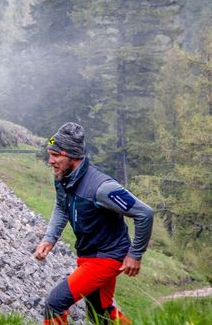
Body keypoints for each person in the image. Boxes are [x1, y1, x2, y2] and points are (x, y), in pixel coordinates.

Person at [33, 122, 154, 324]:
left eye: (55, 155)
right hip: (89, 254)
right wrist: (50, 238)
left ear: (72, 156)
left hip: (106, 256)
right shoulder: (64, 177)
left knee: (55, 304)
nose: (50, 160)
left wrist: (135, 254)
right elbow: (62, 207)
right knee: (100, 313)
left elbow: (145, 213)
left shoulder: (101, 188)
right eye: (49, 153)